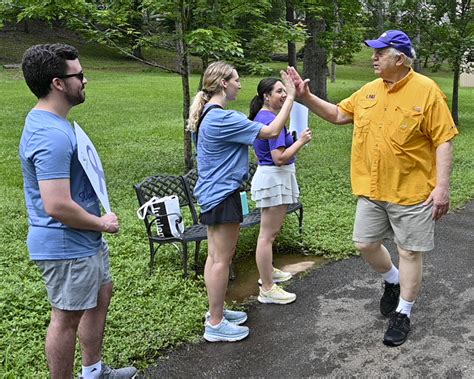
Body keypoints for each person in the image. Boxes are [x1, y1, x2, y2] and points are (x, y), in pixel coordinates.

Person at [288, 30, 458, 346]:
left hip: (412, 189)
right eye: (374, 52)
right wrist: (305, 97)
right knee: (364, 243)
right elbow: (340, 114)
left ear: (401, 58)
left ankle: (403, 312)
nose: (374, 57)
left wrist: (442, 187)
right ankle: (392, 281)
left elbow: (443, 140)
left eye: (381, 52)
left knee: (408, 251)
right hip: (372, 187)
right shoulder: (368, 91)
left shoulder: (427, 92)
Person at [19, 44, 137, 378]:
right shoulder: (51, 134)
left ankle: (94, 371)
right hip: (66, 245)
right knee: (66, 319)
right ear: (58, 83)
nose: (85, 81)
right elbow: (56, 204)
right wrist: (102, 223)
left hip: (83, 242)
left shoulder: (52, 122)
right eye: (80, 75)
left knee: (101, 295)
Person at [187, 61, 296, 342]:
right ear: (223, 83)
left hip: (214, 194)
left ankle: (218, 311)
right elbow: (271, 131)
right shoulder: (222, 117)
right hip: (223, 195)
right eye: (236, 79)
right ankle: (215, 323)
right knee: (221, 260)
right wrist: (292, 97)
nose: (239, 84)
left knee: (215, 258)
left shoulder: (210, 114)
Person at [248, 78, 312, 304]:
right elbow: (280, 158)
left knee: (270, 233)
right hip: (275, 178)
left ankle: (269, 271)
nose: (284, 95)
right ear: (266, 96)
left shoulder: (266, 117)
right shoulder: (271, 119)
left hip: (274, 179)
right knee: (267, 235)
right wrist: (301, 141)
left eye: (285, 91)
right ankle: (267, 288)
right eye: (279, 91)